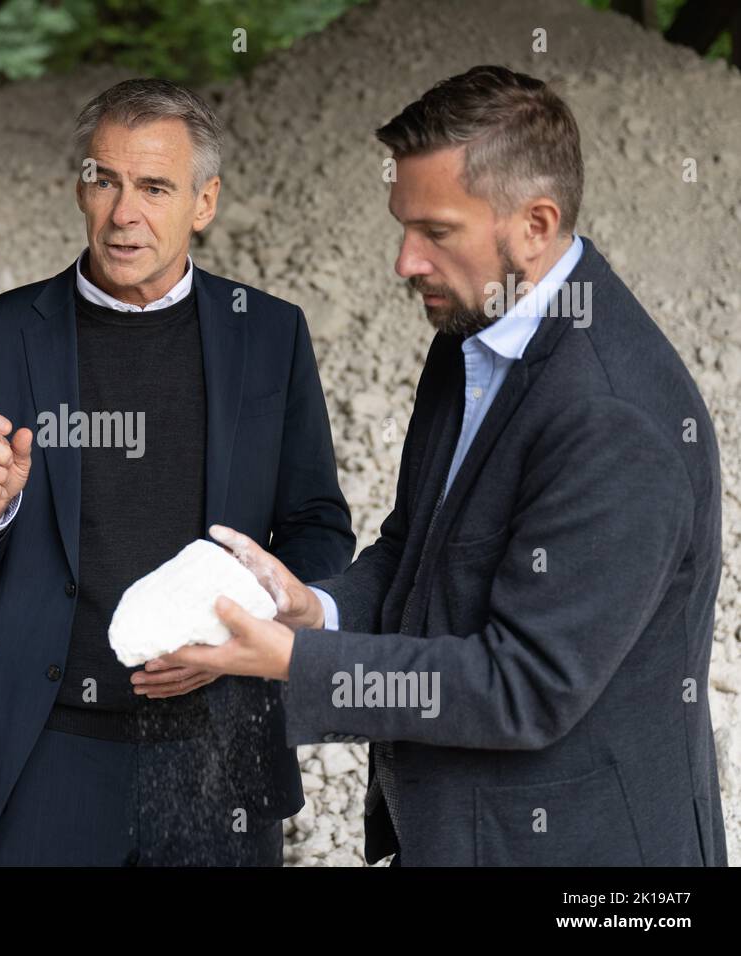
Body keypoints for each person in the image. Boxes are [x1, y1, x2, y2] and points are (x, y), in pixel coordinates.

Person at [163, 65, 727, 867]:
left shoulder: (615, 419)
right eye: (403, 227)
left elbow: (524, 686)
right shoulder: (474, 332)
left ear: (535, 223)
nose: (404, 262)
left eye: (435, 232)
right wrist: (314, 610)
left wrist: (296, 662)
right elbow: (416, 548)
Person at [0, 78, 354, 865]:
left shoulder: (271, 334)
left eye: (154, 187)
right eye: (104, 181)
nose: (125, 214)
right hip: (52, 751)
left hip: (222, 746)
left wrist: (227, 623)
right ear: (80, 188)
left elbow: (319, 527)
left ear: (204, 202)